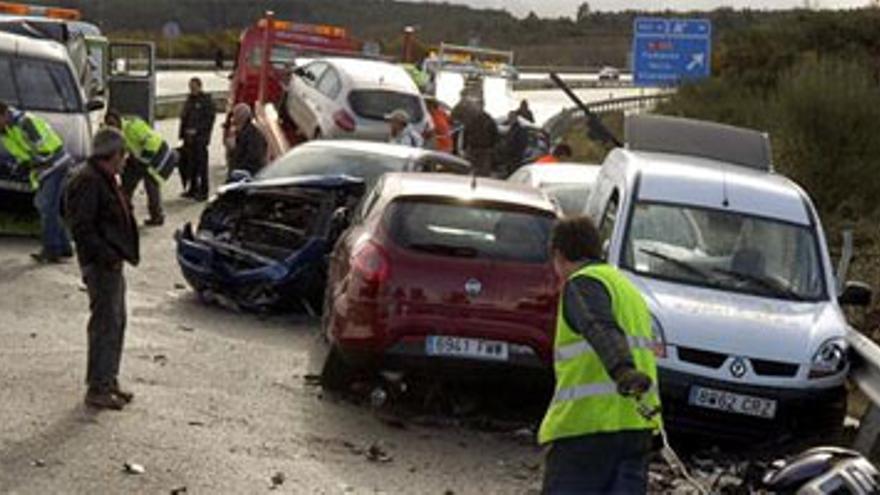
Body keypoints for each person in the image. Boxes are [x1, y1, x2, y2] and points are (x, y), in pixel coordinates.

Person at [540, 216, 661, 494]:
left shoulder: (582, 284)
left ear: (558, 255)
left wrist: (623, 370)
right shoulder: (626, 288)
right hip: (636, 428)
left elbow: (598, 327)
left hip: (589, 431)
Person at [65, 128, 140, 411]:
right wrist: (106, 255)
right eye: (124, 154)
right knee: (105, 324)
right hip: (101, 265)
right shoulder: (88, 180)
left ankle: (109, 379)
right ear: (113, 155)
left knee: (116, 321)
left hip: (112, 262)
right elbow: (82, 227)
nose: (126, 160)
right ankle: (97, 387)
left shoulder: (105, 177)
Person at [0, 102, 74, 263]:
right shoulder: (6, 131)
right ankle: (64, 247)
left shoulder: (25, 123)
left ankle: (52, 249)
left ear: (4, 114)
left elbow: (41, 149)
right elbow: (20, 153)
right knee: (46, 207)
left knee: (46, 206)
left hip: (54, 164)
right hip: (45, 169)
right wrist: (20, 165)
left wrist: (30, 163)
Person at [104, 111, 177, 227]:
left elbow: (150, 142)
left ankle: (157, 216)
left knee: (151, 185)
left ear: (118, 121)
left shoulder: (133, 126)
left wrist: (142, 160)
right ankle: (125, 214)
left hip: (154, 155)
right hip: (140, 157)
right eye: (109, 125)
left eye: (112, 124)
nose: (111, 127)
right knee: (127, 184)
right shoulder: (118, 132)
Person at [179, 77, 216, 201]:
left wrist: (197, 130)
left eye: (194, 87)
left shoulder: (206, 101)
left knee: (201, 166)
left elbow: (209, 119)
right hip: (188, 139)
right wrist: (183, 133)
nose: (192, 90)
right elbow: (185, 117)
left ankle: (204, 191)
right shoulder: (189, 100)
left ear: (200, 86)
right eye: (190, 87)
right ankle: (192, 189)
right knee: (190, 165)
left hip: (200, 139)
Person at [227, 103, 267, 178]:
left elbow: (253, 157)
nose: (232, 119)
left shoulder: (252, 135)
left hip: (247, 176)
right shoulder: (242, 132)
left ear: (240, 117)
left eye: (234, 115)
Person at [462, 100, 499, 176]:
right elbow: (466, 133)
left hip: (485, 150)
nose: (479, 107)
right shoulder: (472, 119)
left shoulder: (488, 119)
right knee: (472, 172)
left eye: (480, 105)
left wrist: (492, 147)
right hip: (473, 149)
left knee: (484, 173)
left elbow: (494, 134)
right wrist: (465, 147)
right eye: (478, 105)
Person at [504, 111, 529, 176]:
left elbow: (522, 144)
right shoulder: (512, 129)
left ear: (515, 118)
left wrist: (514, 153)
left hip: (515, 159)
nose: (509, 119)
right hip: (510, 158)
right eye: (509, 117)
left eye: (511, 117)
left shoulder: (520, 130)